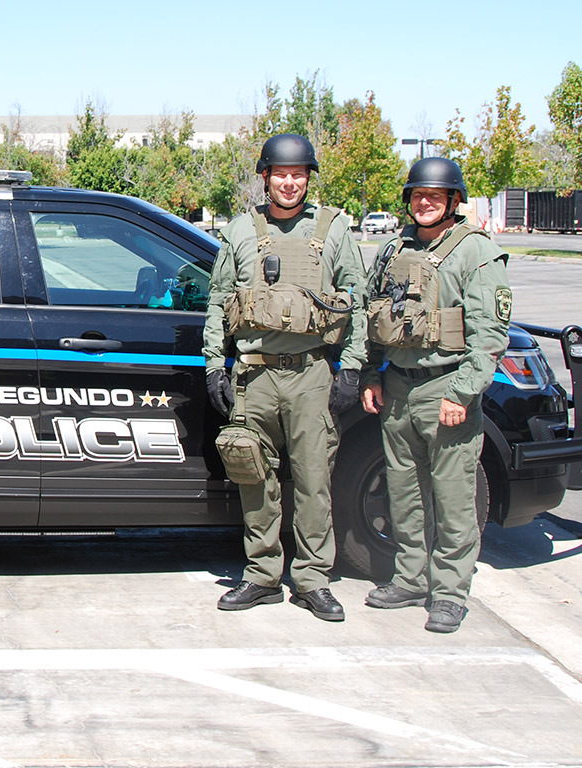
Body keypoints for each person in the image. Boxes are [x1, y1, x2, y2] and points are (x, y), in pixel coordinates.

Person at [203, 133, 368, 622]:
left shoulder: (333, 230)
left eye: (298, 174)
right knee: (254, 476)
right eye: (281, 174)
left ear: (308, 178)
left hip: (310, 374)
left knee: (315, 482)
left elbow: (356, 303)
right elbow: (219, 301)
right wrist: (214, 364)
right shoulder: (240, 230)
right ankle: (262, 576)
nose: (290, 183)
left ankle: (313, 579)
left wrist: (351, 368)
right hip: (253, 377)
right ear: (265, 177)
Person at [361, 157, 511, 633]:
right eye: (418, 195)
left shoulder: (475, 252)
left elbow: (490, 336)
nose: (425, 203)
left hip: (446, 387)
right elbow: (373, 316)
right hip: (398, 388)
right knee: (404, 494)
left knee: (453, 499)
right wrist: (371, 374)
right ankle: (410, 579)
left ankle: (449, 594)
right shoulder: (393, 249)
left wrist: (462, 393)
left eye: (435, 196)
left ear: (453, 200)